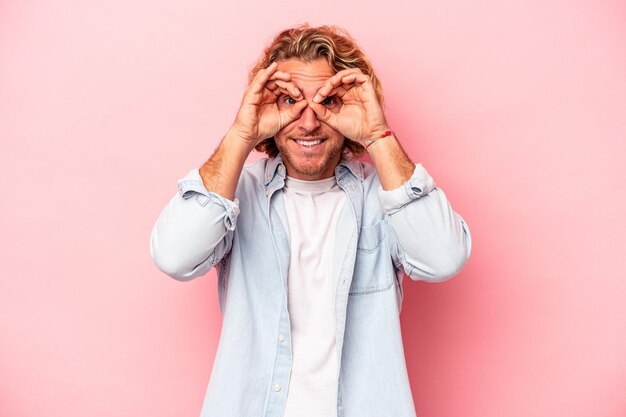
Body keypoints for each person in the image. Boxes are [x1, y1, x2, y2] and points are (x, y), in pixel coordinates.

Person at [151, 24, 472, 417]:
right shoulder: (237, 192)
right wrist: (241, 134)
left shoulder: (383, 194)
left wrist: (377, 135)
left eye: (327, 102)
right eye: (288, 101)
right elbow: (174, 256)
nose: (308, 123)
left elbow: (444, 258)